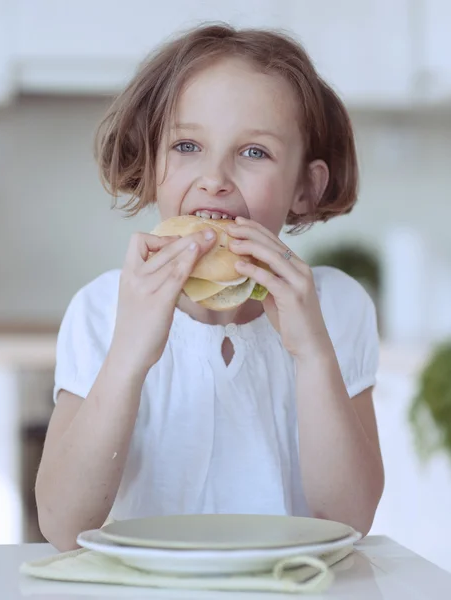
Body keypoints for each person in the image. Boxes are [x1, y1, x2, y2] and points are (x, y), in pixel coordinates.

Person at [35, 24, 384, 551]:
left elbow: (349, 521)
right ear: (152, 166)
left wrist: (311, 352)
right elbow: (63, 525)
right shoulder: (102, 308)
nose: (215, 177)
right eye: (187, 145)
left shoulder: (336, 306)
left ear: (305, 189)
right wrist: (130, 351)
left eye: (255, 153)